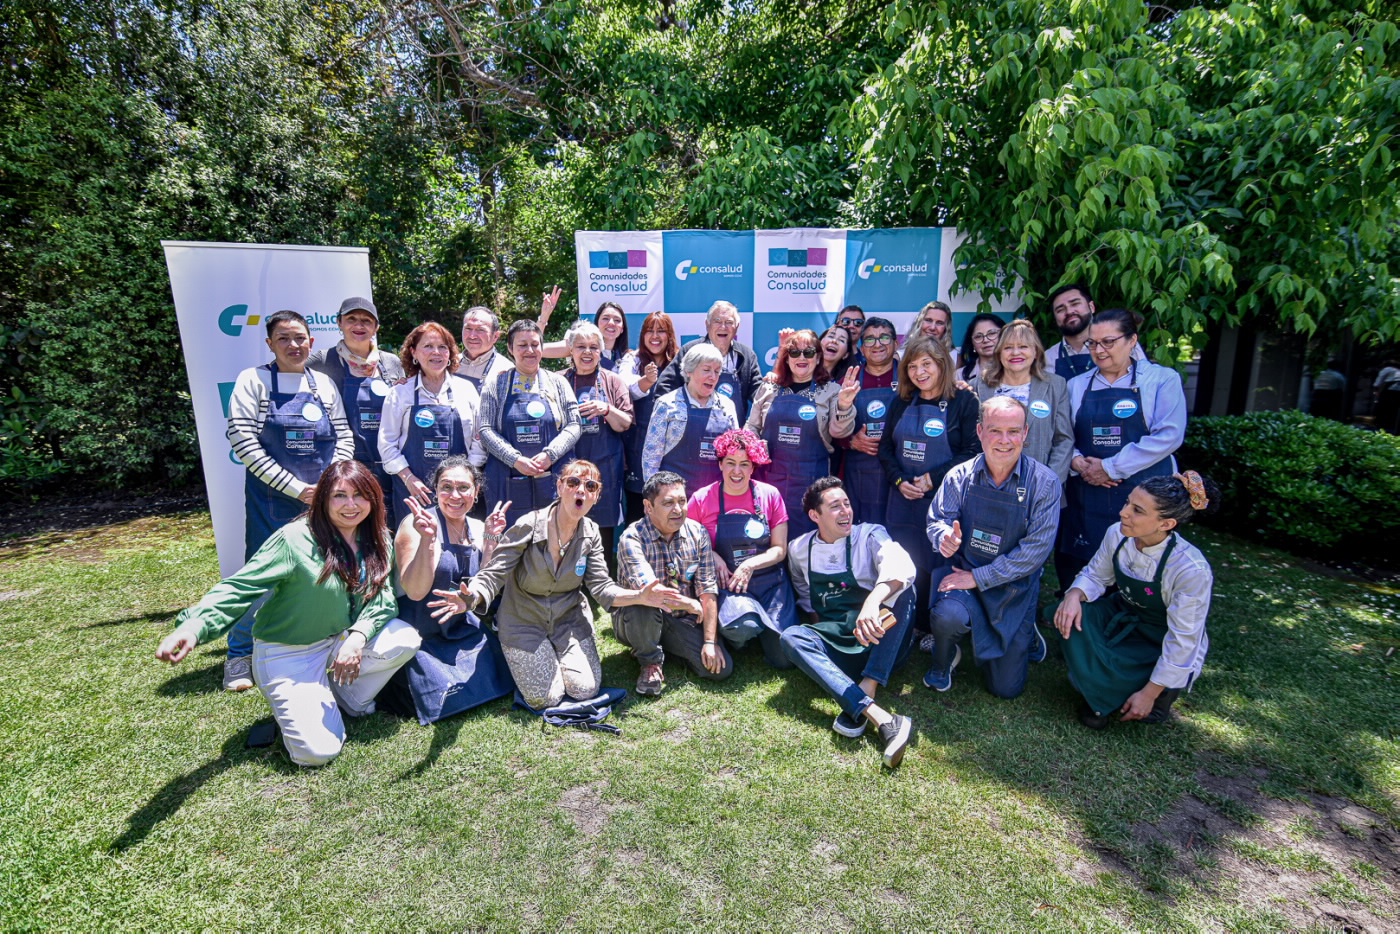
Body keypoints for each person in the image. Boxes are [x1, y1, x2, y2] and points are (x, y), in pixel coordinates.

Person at [156, 460, 420, 766]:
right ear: (323, 499)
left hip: (340, 639)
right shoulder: (294, 539)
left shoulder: (377, 537)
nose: (351, 505)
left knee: (404, 639)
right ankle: (305, 701)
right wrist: (194, 626)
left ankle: (345, 698)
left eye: (360, 495)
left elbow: (382, 597)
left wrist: (357, 637)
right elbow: (240, 587)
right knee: (316, 753)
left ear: (373, 500)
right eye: (339, 495)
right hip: (289, 651)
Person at [429, 459, 676, 711]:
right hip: (523, 620)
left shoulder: (591, 532)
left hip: (568, 620)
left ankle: (556, 655)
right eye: (573, 482)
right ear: (559, 487)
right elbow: (495, 572)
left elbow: (602, 587)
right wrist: (472, 595)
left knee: (585, 690)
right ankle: (530, 655)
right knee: (545, 698)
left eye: (590, 486)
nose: (581, 490)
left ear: (596, 496)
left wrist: (640, 596)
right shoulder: (529, 524)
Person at [224, 309, 354, 691]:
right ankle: (238, 655)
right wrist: (296, 488)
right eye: (284, 338)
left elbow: (343, 434)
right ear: (270, 343)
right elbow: (242, 440)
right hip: (273, 499)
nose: (293, 345)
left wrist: (331, 483)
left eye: (300, 338)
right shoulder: (253, 381)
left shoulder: (323, 384)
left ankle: (322, 643)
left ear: (311, 342)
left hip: (325, 498)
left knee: (329, 570)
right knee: (262, 576)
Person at [1054, 472, 1219, 729]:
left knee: (1147, 689)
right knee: (1071, 616)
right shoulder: (1117, 534)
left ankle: (1152, 695)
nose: (1123, 513)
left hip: (1159, 637)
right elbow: (1096, 575)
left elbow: (1183, 640)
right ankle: (1105, 687)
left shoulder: (1191, 569)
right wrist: (1074, 595)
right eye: (1127, 502)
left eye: (1137, 510)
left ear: (1166, 524)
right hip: (1123, 614)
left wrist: (1149, 693)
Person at [923, 397, 1061, 698]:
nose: (1004, 440)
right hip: (964, 574)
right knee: (948, 616)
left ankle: (1027, 634)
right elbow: (938, 520)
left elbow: (1035, 552)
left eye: (1013, 431)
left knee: (1005, 689)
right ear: (980, 431)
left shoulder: (1045, 483)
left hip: (1013, 588)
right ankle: (943, 660)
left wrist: (979, 577)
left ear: (1025, 433)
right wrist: (944, 538)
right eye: (995, 430)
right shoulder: (959, 475)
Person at [781, 477, 916, 768]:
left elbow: (901, 565)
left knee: (905, 590)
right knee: (791, 637)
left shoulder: (870, 535)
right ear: (815, 515)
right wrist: (823, 637)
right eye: (835, 506)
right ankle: (878, 715)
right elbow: (805, 596)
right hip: (841, 638)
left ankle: (869, 684)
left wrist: (872, 602)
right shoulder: (799, 549)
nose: (845, 511)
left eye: (847, 503)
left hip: (881, 641)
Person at [1058, 308, 1188, 589]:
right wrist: (1078, 462)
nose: (1099, 350)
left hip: (1146, 493)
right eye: (1093, 343)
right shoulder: (1076, 385)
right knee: (1083, 570)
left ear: (1132, 340)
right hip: (1087, 495)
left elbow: (1169, 436)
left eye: (1108, 342)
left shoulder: (1161, 380)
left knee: (1140, 573)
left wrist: (1109, 467)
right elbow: (1063, 435)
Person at [384, 457, 514, 725]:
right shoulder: (416, 524)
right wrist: (428, 541)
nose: (455, 495)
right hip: (419, 630)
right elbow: (415, 592)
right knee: (446, 695)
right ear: (435, 490)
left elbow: (485, 586)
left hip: (459, 625)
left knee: (498, 680)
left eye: (464, 488)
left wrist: (491, 539)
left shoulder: (477, 528)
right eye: (446, 487)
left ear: (476, 492)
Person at [878, 337, 980, 627]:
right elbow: (885, 449)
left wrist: (932, 479)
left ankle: (934, 626)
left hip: (945, 502)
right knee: (905, 561)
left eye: (926, 364)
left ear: (942, 365)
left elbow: (972, 452)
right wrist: (899, 480)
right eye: (912, 366)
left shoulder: (964, 401)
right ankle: (905, 623)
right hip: (903, 501)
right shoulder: (901, 401)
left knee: (939, 563)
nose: (919, 372)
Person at [614, 471, 732, 695]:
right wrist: (689, 604)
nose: (678, 510)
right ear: (648, 507)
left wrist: (710, 641)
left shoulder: (698, 533)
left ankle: (662, 646)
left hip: (681, 620)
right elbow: (650, 591)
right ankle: (650, 662)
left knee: (719, 671)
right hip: (639, 616)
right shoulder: (632, 538)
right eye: (668, 503)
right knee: (642, 604)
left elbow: (707, 589)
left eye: (682, 501)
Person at [686, 429, 796, 667]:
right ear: (720, 464)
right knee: (743, 627)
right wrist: (711, 554)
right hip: (728, 585)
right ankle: (741, 632)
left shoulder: (770, 495)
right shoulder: (702, 498)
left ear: (753, 467)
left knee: (785, 658)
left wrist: (749, 565)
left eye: (744, 464)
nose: (737, 471)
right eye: (731, 463)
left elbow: (779, 549)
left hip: (769, 581)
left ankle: (765, 629)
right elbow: (688, 542)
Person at [746, 329, 855, 539]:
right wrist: (753, 447)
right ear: (786, 358)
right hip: (769, 482)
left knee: (806, 543)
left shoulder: (831, 391)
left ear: (818, 357)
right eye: (795, 352)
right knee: (767, 540)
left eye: (809, 352)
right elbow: (752, 427)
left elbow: (839, 431)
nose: (801, 357)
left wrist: (844, 404)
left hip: (810, 485)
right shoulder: (769, 388)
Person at [378, 321, 486, 528]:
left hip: (457, 494)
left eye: (442, 347)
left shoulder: (466, 390)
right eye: (428, 346)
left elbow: (479, 441)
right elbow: (387, 444)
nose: (436, 353)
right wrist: (409, 479)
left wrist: (466, 480)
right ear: (414, 352)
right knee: (414, 543)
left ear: (450, 353)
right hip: (414, 491)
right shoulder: (400, 393)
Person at [478, 320, 582, 528]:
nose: (530, 350)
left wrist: (550, 455)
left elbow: (574, 424)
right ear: (510, 348)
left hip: (552, 475)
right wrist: (515, 459)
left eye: (535, 344)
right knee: (508, 538)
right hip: (506, 478)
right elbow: (485, 429)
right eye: (522, 345)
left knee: (553, 534)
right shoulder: (496, 384)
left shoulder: (558, 383)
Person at [307, 297, 406, 506]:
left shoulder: (391, 362)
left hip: (386, 461)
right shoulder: (323, 361)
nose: (359, 325)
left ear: (376, 327)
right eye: (351, 319)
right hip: (343, 462)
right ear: (339, 323)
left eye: (366, 321)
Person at [969, 318, 1074, 485]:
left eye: (1023, 346)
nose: (1015, 353)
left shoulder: (1055, 385)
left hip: (1041, 484)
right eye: (1008, 347)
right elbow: (969, 438)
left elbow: (1064, 440)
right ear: (999, 353)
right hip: (987, 484)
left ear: (1036, 351)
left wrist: (1049, 483)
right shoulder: (978, 386)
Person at [561, 320, 634, 544]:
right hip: (569, 466)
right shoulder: (559, 380)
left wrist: (607, 409)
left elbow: (625, 423)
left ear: (600, 351)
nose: (587, 352)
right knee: (566, 528)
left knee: (602, 536)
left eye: (593, 347)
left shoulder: (613, 381)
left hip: (605, 468)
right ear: (571, 350)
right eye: (581, 346)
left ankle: (603, 568)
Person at [643, 343, 740, 495]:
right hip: (674, 497)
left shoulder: (726, 406)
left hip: (714, 496)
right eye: (706, 370)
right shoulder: (667, 404)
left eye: (717, 371)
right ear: (689, 371)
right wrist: (655, 496)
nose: (713, 377)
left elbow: (735, 455)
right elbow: (651, 457)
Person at [832, 316, 900, 526]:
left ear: (895, 343)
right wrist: (850, 441)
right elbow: (827, 429)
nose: (877, 344)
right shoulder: (849, 380)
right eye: (870, 339)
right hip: (860, 473)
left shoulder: (911, 376)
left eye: (884, 337)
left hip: (902, 471)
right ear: (862, 349)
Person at [655, 300, 763, 417]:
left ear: (737, 327)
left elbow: (758, 394)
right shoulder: (690, 350)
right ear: (707, 325)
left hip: (733, 426)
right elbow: (665, 386)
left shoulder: (746, 355)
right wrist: (675, 417)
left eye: (729, 322)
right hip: (692, 426)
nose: (723, 327)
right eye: (717, 321)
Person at [621, 311, 680, 521]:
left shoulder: (680, 361)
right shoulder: (633, 358)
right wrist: (646, 380)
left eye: (661, 331)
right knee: (638, 509)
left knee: (670, 506)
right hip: (637, 446)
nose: (655, 336)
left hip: (672, 448)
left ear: (669, 335)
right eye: (649, 331)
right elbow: (624, 388)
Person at [1043, 284, 1143, 380]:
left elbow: (1145, 381)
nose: (1069, 311)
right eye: (1060, 309)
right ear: (1055, 318)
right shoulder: (1047, 358)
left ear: (1091, 307)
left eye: (1075, 304)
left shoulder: (1124, 344)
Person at [539, 293, 630, 373]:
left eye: (617, 320)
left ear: (622, 328)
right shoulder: (578, 344)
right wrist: (544, 317)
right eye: (605, 318)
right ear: (597, 323)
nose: (611, 323)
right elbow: (537, 348)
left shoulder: (627, 357)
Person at [455, 305, 514, 391]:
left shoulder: (506, 370)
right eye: (468, 328)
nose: (472, 336)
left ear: (495, 336)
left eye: (480, 330)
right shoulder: (449, 363)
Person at [956, 313, 1006, 383]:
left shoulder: (1015, 369)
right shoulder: (959, 376)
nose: (985, 340)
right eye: (978, 336)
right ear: (972, 343)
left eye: (992, 333)